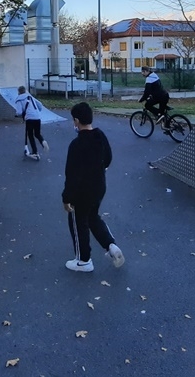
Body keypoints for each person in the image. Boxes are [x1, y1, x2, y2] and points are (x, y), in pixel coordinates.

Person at [62, 102, 123, 273]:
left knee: (77, 221)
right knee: (93, 217)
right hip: (99, 187)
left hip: (82, 191)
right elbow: (108, 158)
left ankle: (84, 260)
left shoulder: (76, 145)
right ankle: (110, 245)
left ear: (76, 121)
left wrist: (67, 198)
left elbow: (72, 175)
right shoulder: (100, 136)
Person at [15, 85, 49, 160]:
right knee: (37, 133)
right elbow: (39, 105)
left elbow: (19, 112)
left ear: (18, 92)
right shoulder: (30, 97)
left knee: (30, 135)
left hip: (29, 118)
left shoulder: (19, 99)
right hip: (37, 117)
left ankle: (35, 152)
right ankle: (43, 141)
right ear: (25, 90)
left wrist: (18, 115)